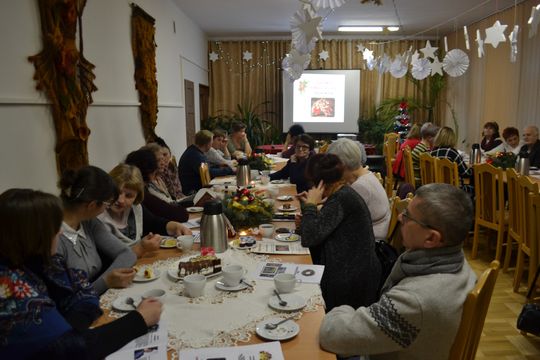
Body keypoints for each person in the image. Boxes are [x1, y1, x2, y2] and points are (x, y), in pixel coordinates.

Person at [319, 183, 476, 360]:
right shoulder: (459, 262)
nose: (400, 217)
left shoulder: (415, 301)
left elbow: (332, 336)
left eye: (408, 216)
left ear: (431, 238)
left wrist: (340, 308)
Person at [0, 189, 162, 359]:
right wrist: (139, 319)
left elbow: (85, 292)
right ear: (32, 235)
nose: (60, 232)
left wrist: (72, 331)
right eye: (54, 227)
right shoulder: (10, 289)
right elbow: (74, 350)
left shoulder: (43, 258)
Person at [298, 153, 381, 312]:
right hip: (353, 270)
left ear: (320, 183)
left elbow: (309, 238)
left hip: (350, 279)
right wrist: (309, 209)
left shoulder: (341, 199)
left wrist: (310, 206)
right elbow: (317, 229)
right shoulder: (342, 193)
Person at [57, 166, 137, 295]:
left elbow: (127, 254)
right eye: (107, 204)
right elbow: (66, 301)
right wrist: (105, 282)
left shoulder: (88, 222)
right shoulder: (55, 239)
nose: (106, 209)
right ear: (92, 205)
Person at [98, 164, 192, 258]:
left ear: (136, 197)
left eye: (129, 196)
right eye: (116, 193)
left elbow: (154, 223)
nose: (121, 200)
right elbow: (108, 258)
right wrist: (141, 248)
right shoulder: (99, 216)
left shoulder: (135, 207)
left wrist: (175, 226)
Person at [328, 138, 390, 240]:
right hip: (371, 233)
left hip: (371, 241)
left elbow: (337, 219)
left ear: (342, 165)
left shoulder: (360, 186)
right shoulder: (367, 175)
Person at [125, 148, 189, 223]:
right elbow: (180, 214)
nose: (162, 163)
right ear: (150, 171)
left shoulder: (143, 189)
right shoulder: (141, 193)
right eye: (158, 161)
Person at [178, 130, 234, 194]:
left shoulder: (194, 151)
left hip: (197, 188)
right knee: (229, 190)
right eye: (211, 142)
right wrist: (228, 170)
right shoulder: (195, 155)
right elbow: (209, 173)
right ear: (206, 143)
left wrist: (218, 166)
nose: (211, 144)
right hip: (193, 192)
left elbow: (207, 168)